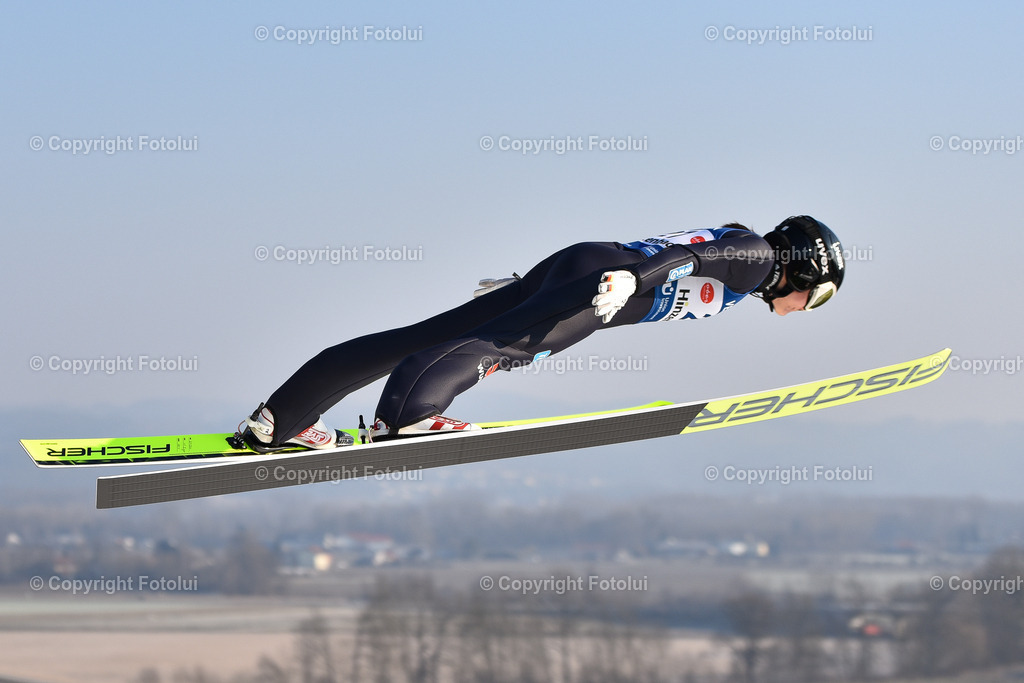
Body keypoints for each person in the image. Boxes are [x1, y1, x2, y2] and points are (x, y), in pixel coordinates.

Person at [240, 215, 845, 450]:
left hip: (582, 266)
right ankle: (406, 415)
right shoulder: (759, 257)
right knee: (510, 348)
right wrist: (634, 281)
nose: (802, 308)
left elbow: (692, 249)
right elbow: (696, 256)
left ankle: (279, 419)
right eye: (815, 296)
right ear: (802, 266)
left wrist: (525, 286)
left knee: (417, 336)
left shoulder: (750, 251)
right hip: (607, 279)